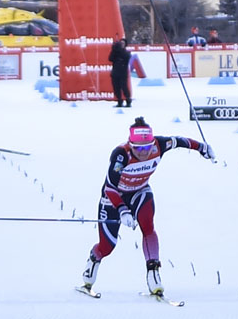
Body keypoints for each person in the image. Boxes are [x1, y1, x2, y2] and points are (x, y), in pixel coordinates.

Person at [79, 116, 215, 298]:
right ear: (131, 145)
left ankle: (153, 273)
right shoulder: (121, 155)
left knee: (148, 226)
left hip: (139, 191)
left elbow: (181, 141)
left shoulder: (160, 144)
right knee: (107, 246)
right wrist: (122, 210)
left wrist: (202, 148)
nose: (143, 152)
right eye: (139, 149)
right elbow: (111, 188)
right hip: (113, 197)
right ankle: (94, 260)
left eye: (147, 147)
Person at [108, 38, 132, 108]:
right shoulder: (116, 52)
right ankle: (119, 101)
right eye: (120, 44)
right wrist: (113, 50)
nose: (121, 45)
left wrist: (120, 50)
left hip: (123, 73)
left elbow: (126, 57)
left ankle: (128, 100)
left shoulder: (127, 53)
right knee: (116, 88)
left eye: (123, 44)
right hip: (115, 72)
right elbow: (110, 59)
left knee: (124, 87)